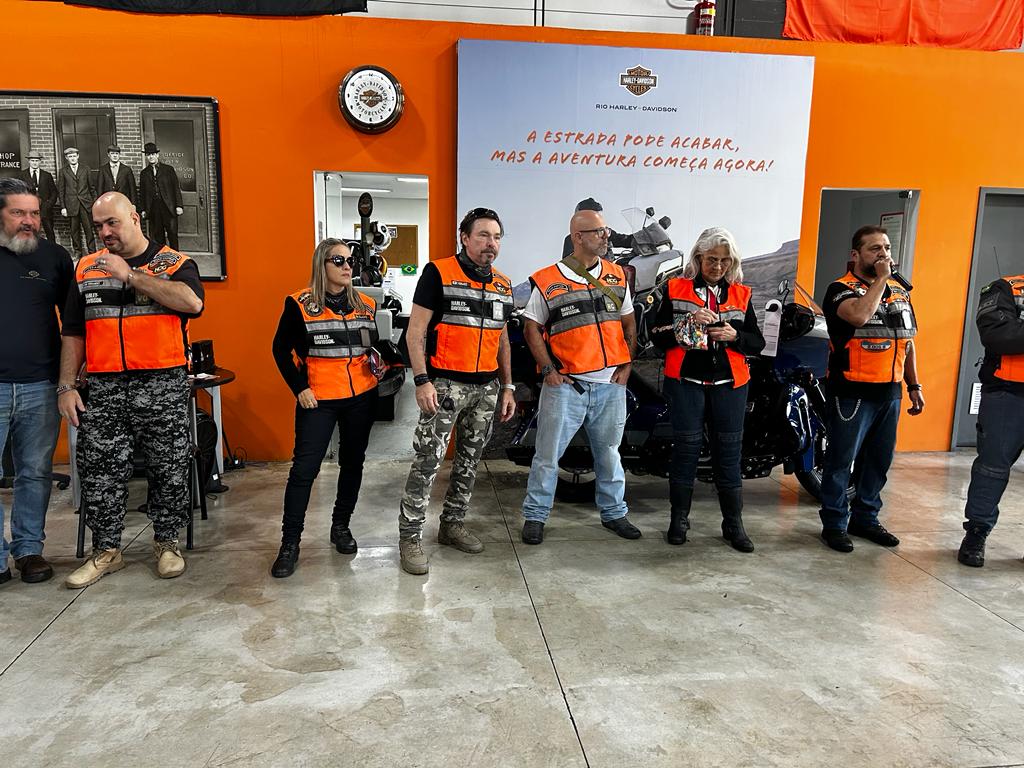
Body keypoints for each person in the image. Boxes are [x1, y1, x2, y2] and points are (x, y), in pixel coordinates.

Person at [58, 192, 204, 587]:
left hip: (162, 383)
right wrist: (66, 386)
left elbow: (192, 303)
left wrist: (132, 276)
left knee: (168, 467)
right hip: (104, 386)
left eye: (113, 222)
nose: (105, 232)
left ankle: (167, 543)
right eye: (98, 225)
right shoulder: (85, 269)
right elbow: (73, 332)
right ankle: (107, 551)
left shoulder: (175, 263)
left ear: (135, 218)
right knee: (100, 470)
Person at [398, 207, 516, 575]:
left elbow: (502, 341)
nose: (490, 243)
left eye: (496, 237)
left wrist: (507, 386)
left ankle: (452, 525)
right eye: (483, 235)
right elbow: (415, 332)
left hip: (486, 389)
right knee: (428, 462)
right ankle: (410, 536)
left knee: (469, 463)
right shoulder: (439, 273)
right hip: (444, 387)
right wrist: (421, 380)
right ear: (464, 238)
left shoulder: (503, 284)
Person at [520, 208, 639, 544]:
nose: (606, 236)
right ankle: (535, 516)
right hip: (567, 387)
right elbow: (531, 327)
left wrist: (627, 363)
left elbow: (628, 322)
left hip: (610, 386)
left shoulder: (617, 275)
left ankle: (615, 514)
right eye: (598, 231)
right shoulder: (548, 280)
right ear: (578, 237)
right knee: (547, 456)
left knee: (610, 455)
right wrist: (548, 371)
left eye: (606, 230)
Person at [269, 239, 382, 578]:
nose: (348, 266)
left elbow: (371, 346)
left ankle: (341, 526)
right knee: (304, 470)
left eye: (351, 261)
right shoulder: (299, 304)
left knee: (353, 463)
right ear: (322, 264)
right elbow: (279, 350)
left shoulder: (365, 304)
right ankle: (290, 543)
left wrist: (382, 362)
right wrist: (299, 388)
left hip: (361, 397)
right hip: (318, 400)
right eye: (339, 260)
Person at [651, 227, 765, 551]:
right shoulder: (675, 288)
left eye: (724, 261)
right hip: (686, 383)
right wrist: (686, 324)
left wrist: (735, 337)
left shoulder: (742, 294)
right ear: (698, 258)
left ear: (732, 262)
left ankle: (733, 524)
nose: (718, 266)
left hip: (730, 386)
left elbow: (757, 342)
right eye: (711, 259)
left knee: (728, 455)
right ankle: (678, 520)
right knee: (685, 452)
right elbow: (656, 337)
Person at [818, 225, 925, 552]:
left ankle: (865, 518)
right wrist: (881, 279)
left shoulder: (899, 292)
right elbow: (860, 316)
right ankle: (834, 523)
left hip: (890, 394)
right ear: (856, 255)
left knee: (878, 462)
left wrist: (914, 384)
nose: (883, 254)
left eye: (887, 248)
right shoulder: (840, 289)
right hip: (852, 393)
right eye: (875, 248)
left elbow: (907, 341)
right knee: (841, 462)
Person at [0, 178, 73, 585]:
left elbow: (73, 325)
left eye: (34, 213)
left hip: (40, 386)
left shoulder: (54, 258)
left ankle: (29, 550)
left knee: (35, 471)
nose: (29, 221)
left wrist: (69, 379)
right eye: (18, 213)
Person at [957, 274, 1024, 567]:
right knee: (992, 468)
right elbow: (1001, 336)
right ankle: (976, 533)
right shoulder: (1006, 288)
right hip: (1008, 394)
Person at [139, 142, 184, 250]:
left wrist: (179, 205)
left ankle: (175, 256)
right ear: (146, 156)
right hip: (154, 209)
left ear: (157, 155)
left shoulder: (168, 170)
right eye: (148, 155)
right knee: (158, 236)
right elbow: (142, 192)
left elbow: (176, 188)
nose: (151, 157)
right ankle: (162, 257)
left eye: (153, 154)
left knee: (172, 234)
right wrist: (143, 209)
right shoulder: (144, 173)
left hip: (168, 207)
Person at [560, 197, 632, 260]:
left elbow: (625, 240)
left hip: (609, 268)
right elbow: (570, 264)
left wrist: (638, 237)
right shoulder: (572, 239)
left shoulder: (606, 233)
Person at [56, 146, 96, 258]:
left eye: (74, 156)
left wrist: (94, 203)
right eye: (70, 156)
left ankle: (92, 252)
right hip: (71, 205)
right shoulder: (63, 171)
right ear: (66, 158)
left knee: (88, 230)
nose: (73, 158)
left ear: (78, 156)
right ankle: (78, 253)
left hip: (85, 204)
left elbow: (91, 187)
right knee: (74, 231)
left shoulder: (86, 169)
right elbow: (61, 190)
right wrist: (63, 207)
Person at [19, 151, 58, 242]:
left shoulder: (47, 175)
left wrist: (49, 204)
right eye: (32, 160)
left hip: (45, 209)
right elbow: (19, 192)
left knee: (49, 232)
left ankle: (52, 249)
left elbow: (54, 192)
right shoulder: (22, 175)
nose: (35, 163)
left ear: (40, 161)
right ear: (29, 161)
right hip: (29, 210)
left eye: (36, 160)